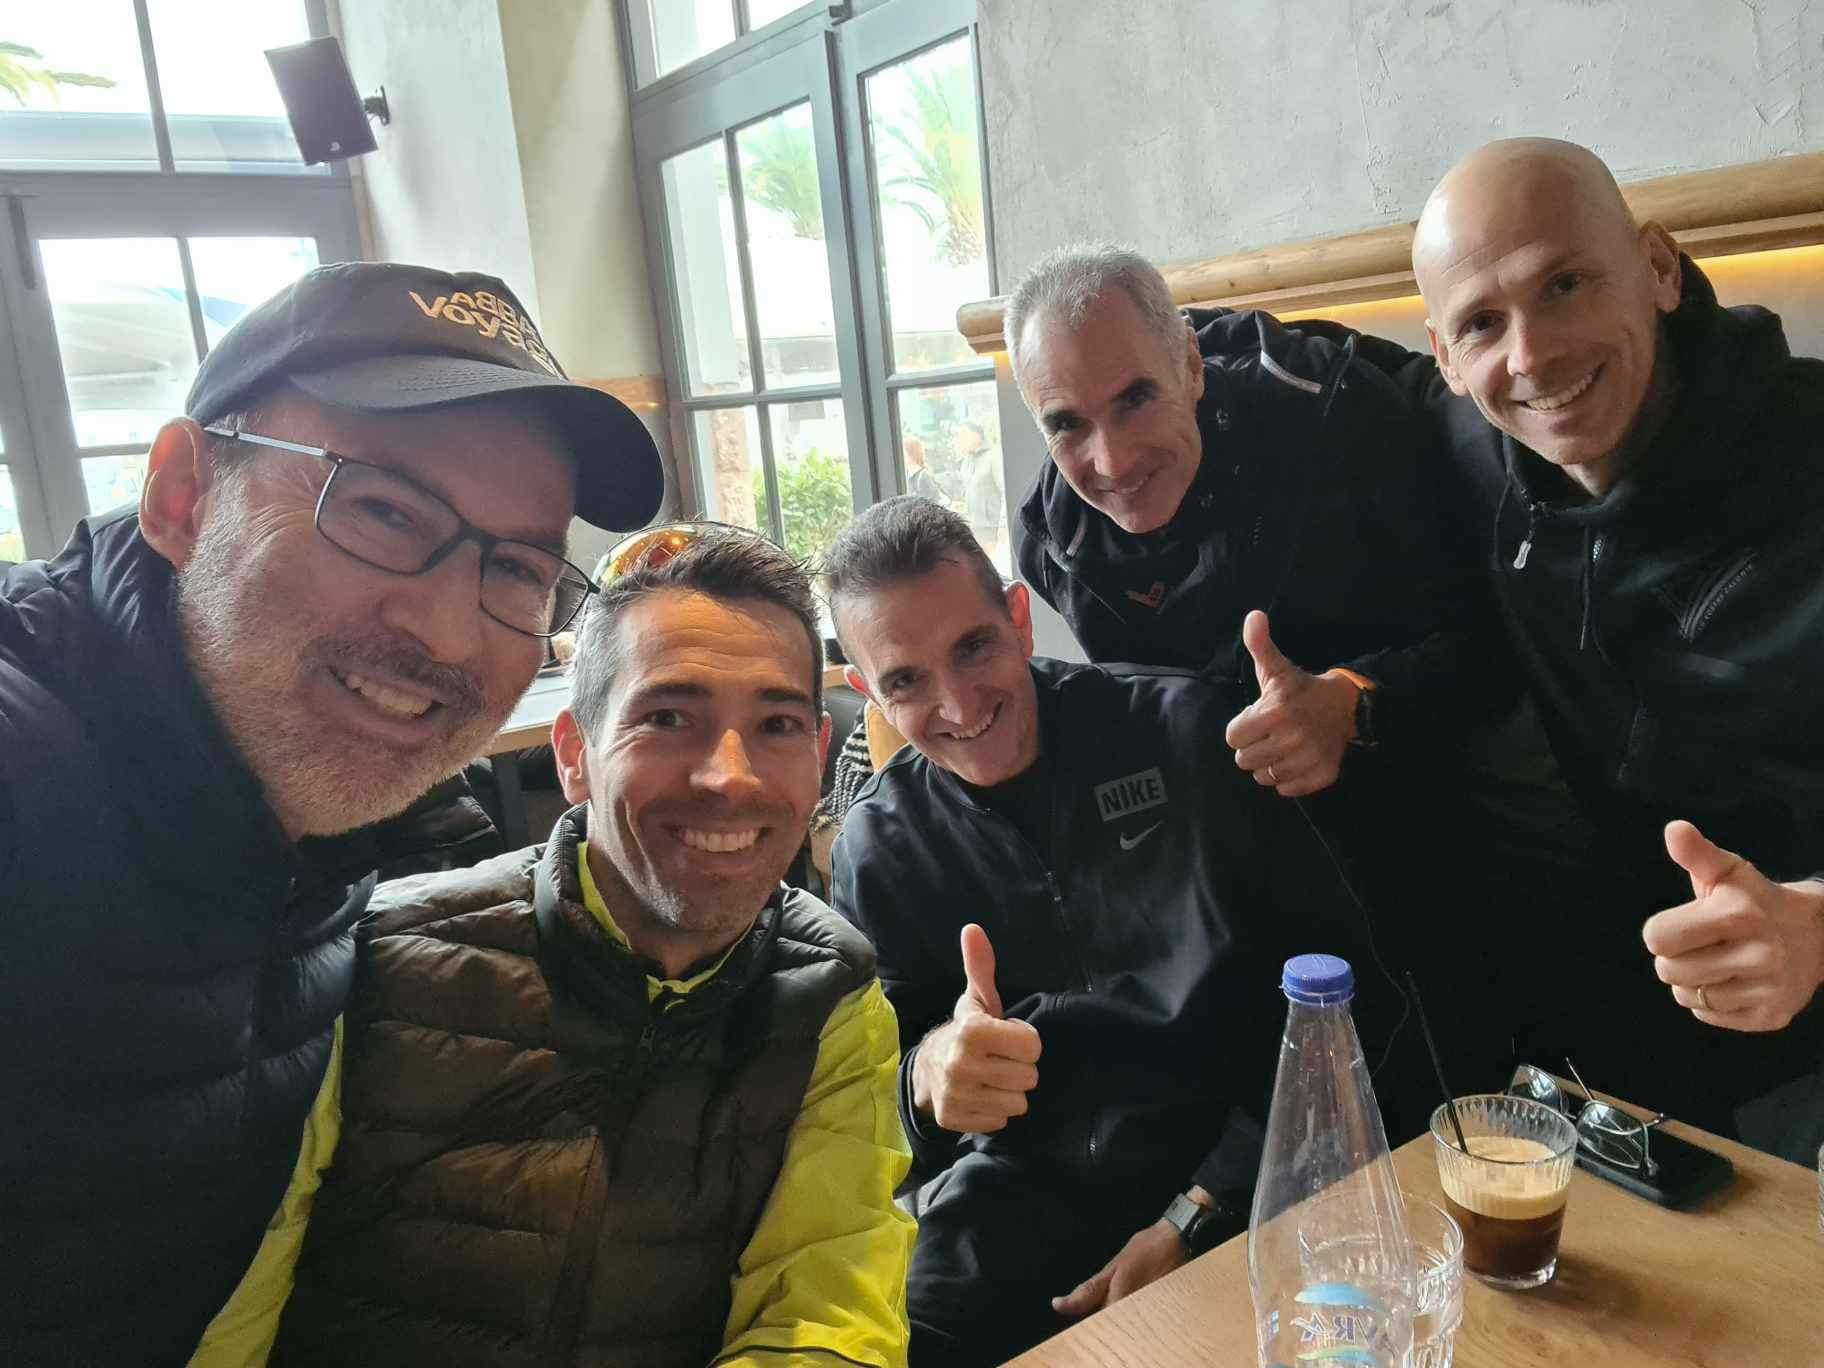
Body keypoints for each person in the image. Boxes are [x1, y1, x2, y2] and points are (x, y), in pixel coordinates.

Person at [0, 261, 664, 1367]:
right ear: (182, 495)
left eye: (517, 568)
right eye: (385, 511)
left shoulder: (373, 830)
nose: (448, 633)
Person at [270, 527, 915, 1366]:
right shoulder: (373, 965)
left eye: (777, 724)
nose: (731, 776)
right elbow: (230, 1307)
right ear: (575, 754)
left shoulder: (831, 995)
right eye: (668, 718)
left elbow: (826, 1318)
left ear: (820, 755)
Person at [825, 497, 1394, 1367]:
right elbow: (867, 1126)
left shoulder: (1185, 732)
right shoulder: (879, 845)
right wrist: (927, 1079)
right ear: (868, 692)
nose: (958, 704)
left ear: (1019, 620)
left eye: (973, 648)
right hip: (1022, 1187)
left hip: (1242, 1159)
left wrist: (1195, 1214)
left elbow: (1346, 1002)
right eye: (905, 682)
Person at [1390, 136, 1824, 1130]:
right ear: (1446, 360)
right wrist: (1354, 705)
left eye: (1566, 284)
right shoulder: (1481, 461)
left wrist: (1817, 921)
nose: (1532, 355)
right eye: (1483, 323)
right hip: (1639, 1018)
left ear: (1659, 269)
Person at [1005, 242, 1496, 798]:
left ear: (1191, 366)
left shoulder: (1339, 415)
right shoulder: (1052, 544)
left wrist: (1352, 703)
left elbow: (1488, 646)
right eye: (1066, 425)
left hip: (1424, 774)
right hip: (1238, 811)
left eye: (1136, 399)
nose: (1113, 463)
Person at [903, 432, 952, 505]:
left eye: (904, 452)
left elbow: (932, 502)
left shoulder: (923, 477)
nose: (902, 456)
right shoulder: (907, 474)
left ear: (911, 454)